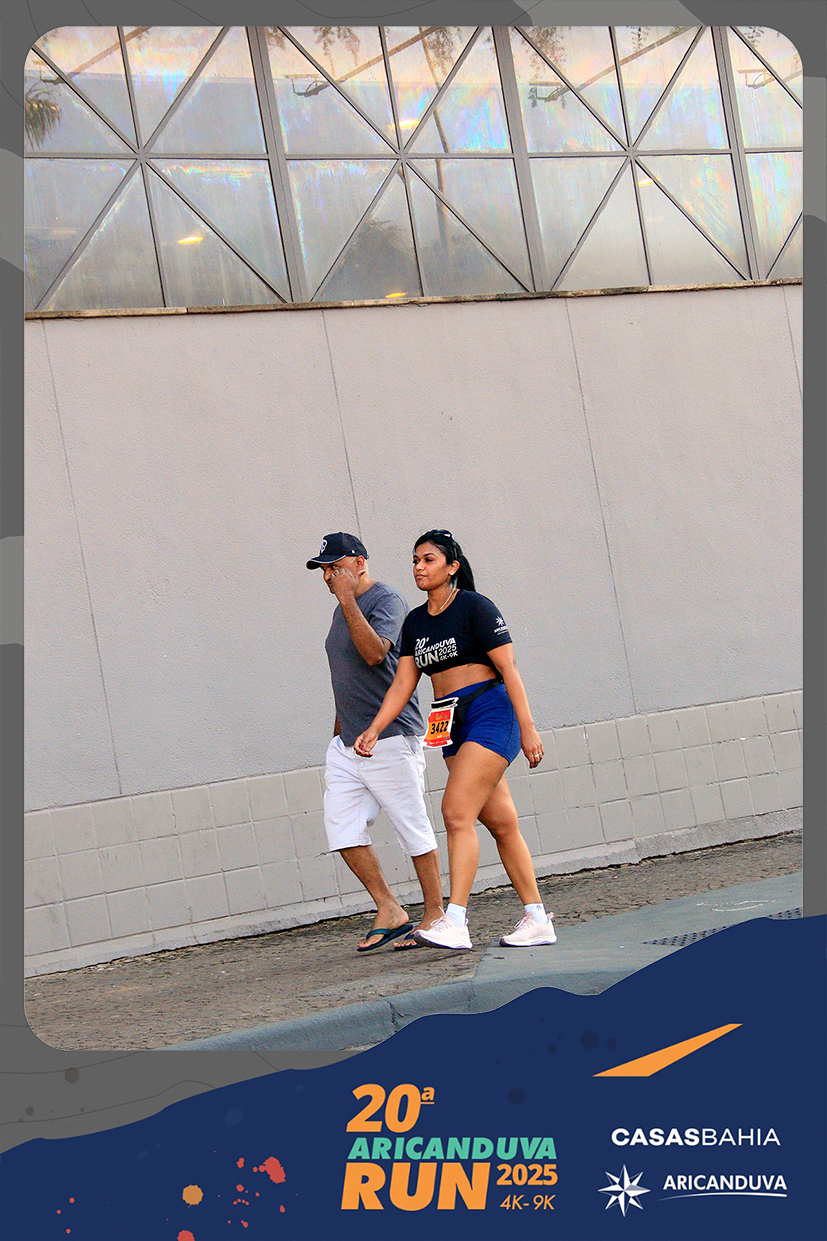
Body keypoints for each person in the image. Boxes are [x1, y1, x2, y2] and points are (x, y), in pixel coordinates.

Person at [354, 530, 557, 951]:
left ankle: (456, 920)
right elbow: (403, 684)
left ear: (452, 567)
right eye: (415, 560)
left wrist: (528, 727)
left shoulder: (475, 607)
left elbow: (509, 668)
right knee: (501, 824)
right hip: (449, 722)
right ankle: (538, 919)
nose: (419, 567)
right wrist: (374, 729)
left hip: (490, 711)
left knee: (455, 812)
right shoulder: (415, 622)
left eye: (429, 560)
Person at [307, 532, 444, 952]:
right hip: (348, 744)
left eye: (335, 567)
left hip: (391, 737)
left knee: (412, 827)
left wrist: (348, 600)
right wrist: (339, 733)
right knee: (341, 828)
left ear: (360, 562)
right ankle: (389, 907)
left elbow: (374, 654)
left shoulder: (387, 600)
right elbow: (347, 675)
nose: (328, 577)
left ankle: (436, 915)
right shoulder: (341, 610)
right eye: (324, 570)